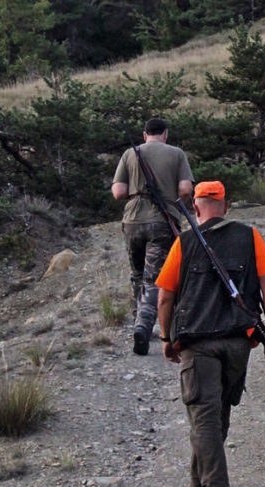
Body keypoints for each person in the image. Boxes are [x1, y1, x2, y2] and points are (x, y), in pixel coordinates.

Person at [155, 181, 265, 487]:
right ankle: (198, 483)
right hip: (239, 342)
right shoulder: (250, 236)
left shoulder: (184, 243)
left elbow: (165, 296)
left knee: (204, 416)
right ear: (225, 206)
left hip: (198, 345)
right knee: (217, 413)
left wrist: (166, 338)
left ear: (196, 208)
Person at [111, 118, 194, 356]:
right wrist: (172, 199)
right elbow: (186, 189)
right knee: (155, 277)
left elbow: (118, 192)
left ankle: (139, 319)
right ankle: (143, 327)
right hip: (162, 221)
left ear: (145, 134)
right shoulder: (176, 154)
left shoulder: (130, 154)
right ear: (166, 134)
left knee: (137, 274)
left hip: (132, 222)